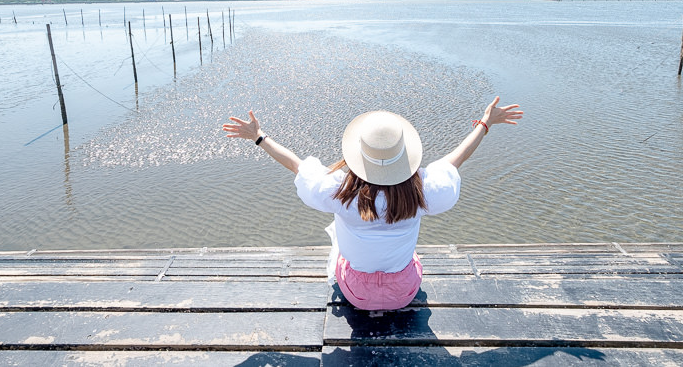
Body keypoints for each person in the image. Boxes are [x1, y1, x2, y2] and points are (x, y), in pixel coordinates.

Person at [222, 97, 522, 311]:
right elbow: (454, 160)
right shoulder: (422, 192)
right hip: (405, 290)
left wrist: (258, 137)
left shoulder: (339, 192)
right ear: (404, 156)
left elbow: (297, 166)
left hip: (356, 293)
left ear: (357, 156)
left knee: (339, 241)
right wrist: (484, 123)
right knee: (408, 253)